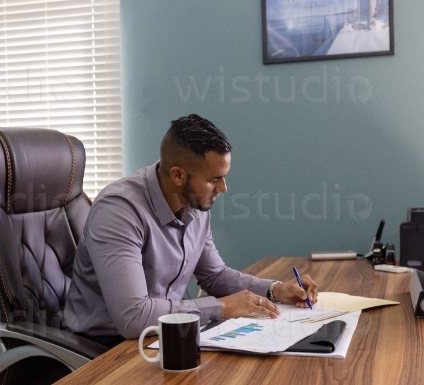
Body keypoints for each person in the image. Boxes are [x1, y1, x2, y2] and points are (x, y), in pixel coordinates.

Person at [63, 114, 318, 346]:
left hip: (170, 337)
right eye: (213, 180)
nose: (223, 188)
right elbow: (133, 317)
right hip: (109, 349)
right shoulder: (119, 211)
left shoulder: (194, 204)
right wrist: (220, 307)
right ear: (178, 175)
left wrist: (274, 290)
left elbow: (214, 276)